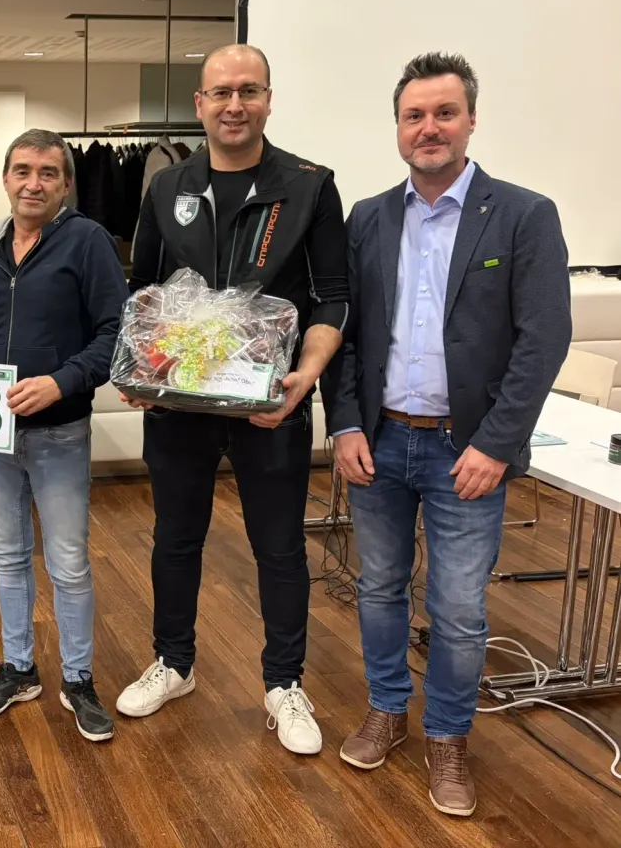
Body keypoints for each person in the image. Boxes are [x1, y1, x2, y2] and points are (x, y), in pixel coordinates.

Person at [325, 52, 571, 816]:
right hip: (381, 442)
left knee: (460, 608)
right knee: (378, 588)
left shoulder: (524, 214)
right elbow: (345, 331)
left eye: (443, 113)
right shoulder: (367, 216)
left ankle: (448, 737)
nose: (428, 128)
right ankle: (388, 709)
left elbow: (544, 338)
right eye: (413, 115)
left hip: (469, 452)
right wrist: (342, 423)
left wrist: (496, 443)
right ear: (397, 127)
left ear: (470, 119)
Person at [116, 43, 349, 756]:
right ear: (200, 104)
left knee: (278, 546)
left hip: (268, 404)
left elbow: (334, 298)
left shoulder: (310, 185)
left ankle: (284, 684)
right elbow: (145, 291)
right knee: (175, 538)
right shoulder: (166, 186)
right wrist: (140, 370)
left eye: (248, 91)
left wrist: (303, 378)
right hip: (180, 407)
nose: (234, 105)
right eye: (220, 93)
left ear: (269, 99)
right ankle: (175, 662)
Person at [0, 129, 128, 741]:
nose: (33, 183)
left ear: (66, 184)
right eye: (22, 171)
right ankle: (18, 668)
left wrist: (62, 382)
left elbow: (113, 335)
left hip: (59, 435)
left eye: (48, 172)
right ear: (6, 178)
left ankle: (78, 679)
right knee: (8, 557)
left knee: (68, 564)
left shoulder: (88, 241)